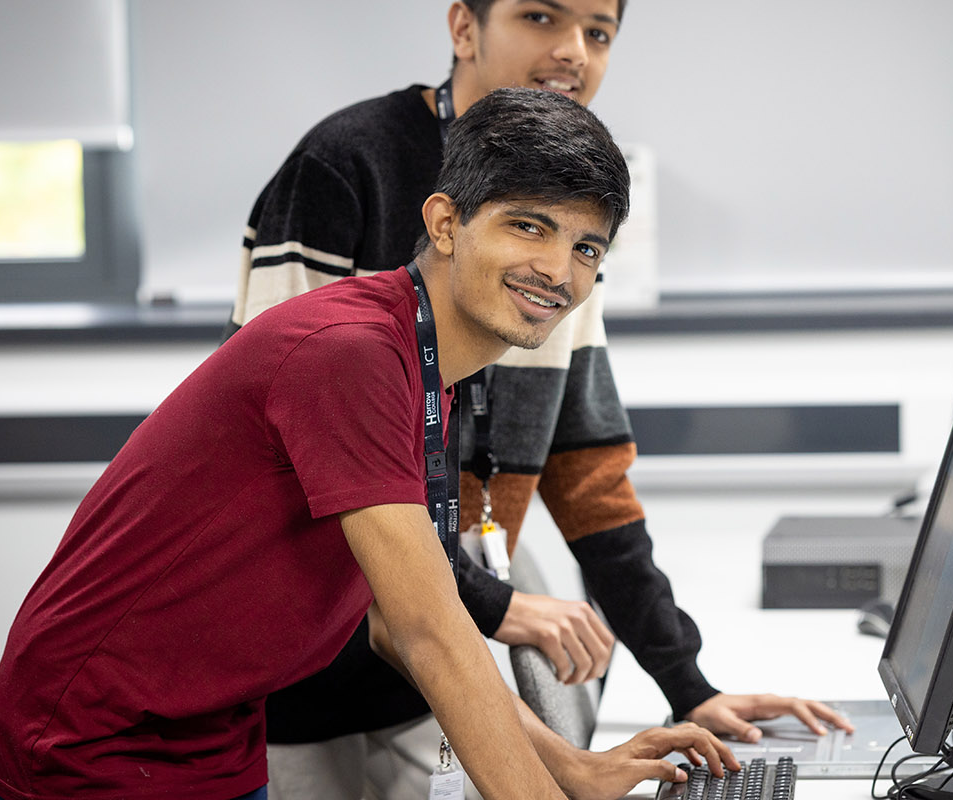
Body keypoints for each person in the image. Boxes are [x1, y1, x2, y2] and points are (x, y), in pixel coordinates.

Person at [0, 88, 735, 800]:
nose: (558, 271)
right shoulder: (351, 354)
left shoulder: (423, 361)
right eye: (529, 226)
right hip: (98, 739)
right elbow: (429, 634)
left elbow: (398, 622)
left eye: (586, 248)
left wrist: (571, 768)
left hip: (212, 728)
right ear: (445, 222)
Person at [232, 1, 852, 795]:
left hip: (428, 658)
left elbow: (589, 477)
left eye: (598, 32)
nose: (572, 53)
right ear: (463, 29)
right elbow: (293, 457)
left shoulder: (565, 220)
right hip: (296, 661)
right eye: (540, 16)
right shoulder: (346, 168)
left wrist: (688, 684)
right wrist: (493, 604)